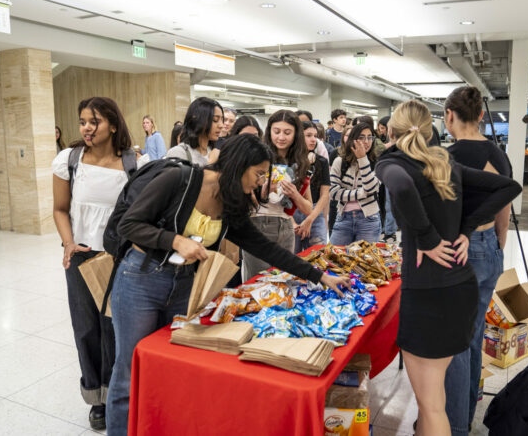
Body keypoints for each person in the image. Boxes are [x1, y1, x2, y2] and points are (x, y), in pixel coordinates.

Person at [105, 134, 350, 435]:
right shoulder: (179, 179)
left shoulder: (230, 203)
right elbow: (129, 224)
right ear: (239, 165)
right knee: (128, 369)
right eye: (258, 173)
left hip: (185, 286)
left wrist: (319, 276)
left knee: (170, 364)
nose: (260, 182)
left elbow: (266, 248)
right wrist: (175, 240)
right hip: (140, 280)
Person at [375, 99, 521, 436]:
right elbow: (509, 187)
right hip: (459, 284)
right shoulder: (445, 163)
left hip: (428, 293)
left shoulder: (392, 162)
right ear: (431, 131)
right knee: (435, 397)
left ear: (391, 131)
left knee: (431, 406)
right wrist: (465, 229)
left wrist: (426, 237)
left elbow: (400, 186)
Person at [52, 97, 136, 431]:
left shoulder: (133, 164)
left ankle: (116, 394)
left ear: (113, 125)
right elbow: (60, 209)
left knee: (114, 329)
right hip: (82, 257)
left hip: (119, 258)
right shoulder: (69, 160)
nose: (87, 128)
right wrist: (69, 243)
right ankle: (96, 399)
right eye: (83, 122)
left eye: (94, 122)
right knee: (86, 329)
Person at [442, 86, 514, 435]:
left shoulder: (446, 157)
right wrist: (497, 245)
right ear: (482, 115)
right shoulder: (498, 156)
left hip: (460, 250)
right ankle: (468, 410)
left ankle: (454, 425)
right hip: (489, 247)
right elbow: (504, 209)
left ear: (449, 116)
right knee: (473, 335)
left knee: (455, 341)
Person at [242, 110, 313, 281]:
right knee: (257, 283)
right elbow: (245, 200)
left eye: (287, 132)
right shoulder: (256, 157)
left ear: (296, 135)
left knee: (282, 281)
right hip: (259, 223)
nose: (281, 137)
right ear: (269, 132)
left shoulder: (301, 163)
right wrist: (264, 191)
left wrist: (295, 195)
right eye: (276, 131)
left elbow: (308, 208)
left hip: (286, 227)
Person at [329, 122, 381, 246]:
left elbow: (371, 188)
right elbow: (333, 193)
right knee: (335, 256)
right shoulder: (339, 161)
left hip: (369, 219)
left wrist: (362, 159)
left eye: (370, 137)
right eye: (362, 137)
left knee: (365, 257)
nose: (366, 141)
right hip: (343, 218)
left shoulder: (377, 163)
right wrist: (362, 193)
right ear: (353, 139)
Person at [294, 121, 330, 252]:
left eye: (315, 136)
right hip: (292, 212)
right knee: (291, 258)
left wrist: (310, 219)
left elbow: (325, 194)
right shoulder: (289, 161)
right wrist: (292, 223)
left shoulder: (322, 161)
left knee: (319, 255)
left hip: (315, 213)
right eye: (308, 135)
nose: (313, 139)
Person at [166, 97, 222, 166]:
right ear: (197, 119)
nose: (221, 125)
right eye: (215, 120)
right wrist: (210, 163)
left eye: (222, 120)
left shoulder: (213, 151)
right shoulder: (178, 153)